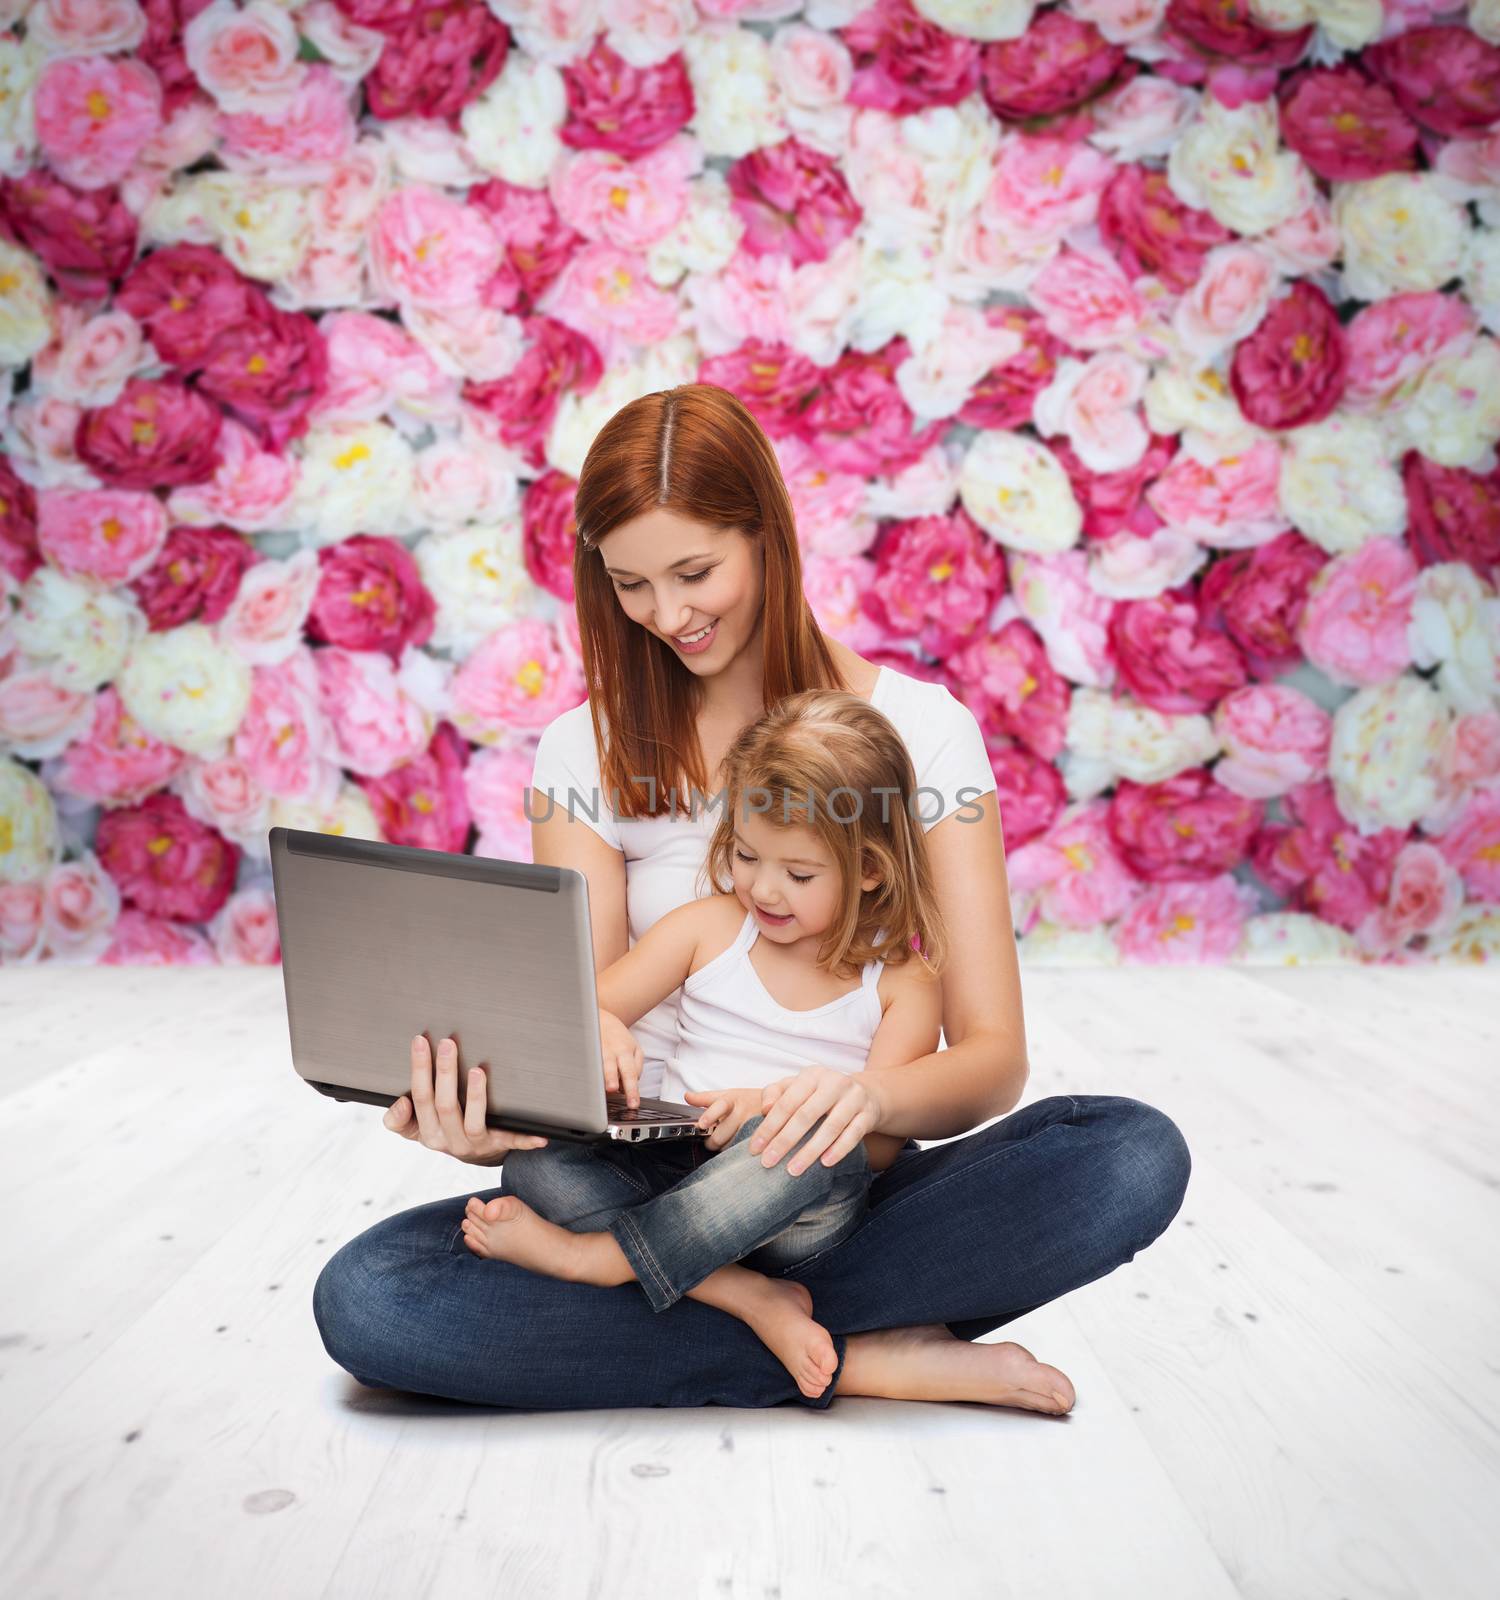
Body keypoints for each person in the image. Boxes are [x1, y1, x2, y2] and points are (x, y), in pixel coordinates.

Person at [312, 382, 1192, 1415]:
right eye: (631, 585)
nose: (670, 615)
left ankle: (711, 1307)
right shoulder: (578, 753)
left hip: (831, 1178)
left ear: (767, 536)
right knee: (369, 1300)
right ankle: (852, 1347)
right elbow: (588, 1032)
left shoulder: (921, 732)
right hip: (638, 1175)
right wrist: (489, 1112)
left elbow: (992, 1058)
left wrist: (865, 1098)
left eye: (695, 572)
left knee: (1129, 1154)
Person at [461, 688, 1073, 1409]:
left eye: (799, 874)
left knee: (824, 1147)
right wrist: (603, 1028)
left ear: (871, 868)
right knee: (540, 1168)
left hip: (792, 1208)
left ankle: (601, 1260)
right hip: (672, 1168)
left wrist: (768, 1117)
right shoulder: (709, 927)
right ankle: (748, 1297)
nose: (764, 889)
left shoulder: (902, 982)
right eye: (747, 855)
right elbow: (581, 1011)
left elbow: (873, 1149)